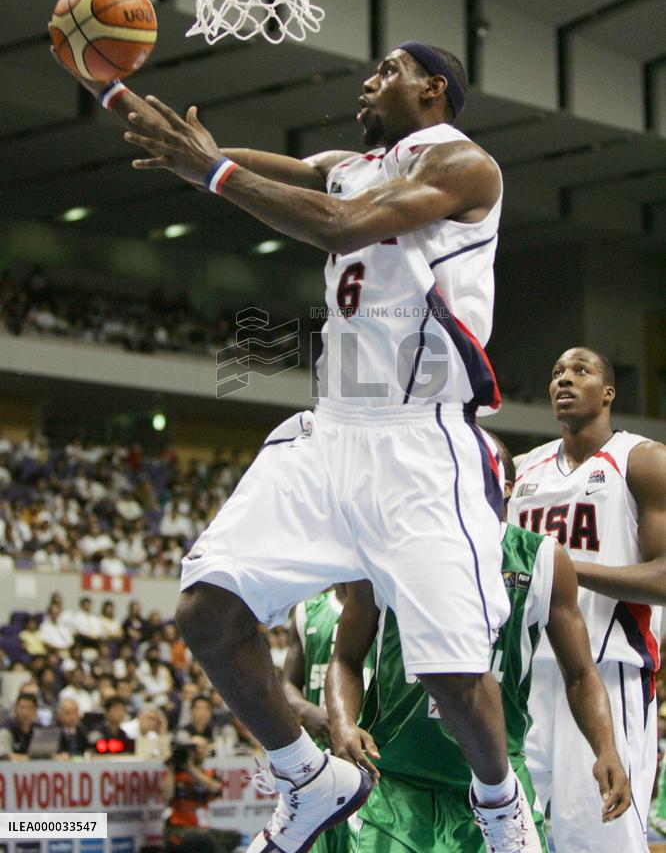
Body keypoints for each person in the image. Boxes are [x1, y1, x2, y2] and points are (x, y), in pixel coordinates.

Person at [54, 41, 538, 852]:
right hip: (330, 430)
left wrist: (209, 173)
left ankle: (500, 806)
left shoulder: (464, 164)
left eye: (387, 69)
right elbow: (206, 152)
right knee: (207, 612)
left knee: (454, 680)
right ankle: (309, 778)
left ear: (433, 87)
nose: (369, 80)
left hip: (419, 443)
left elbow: (345, 225)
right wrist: (109, 89)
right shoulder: (349, 162)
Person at [326, 437, 630, 851]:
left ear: (505, 485)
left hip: (496, 786)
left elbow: (579, 674)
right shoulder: (387, 547)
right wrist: (343, 722)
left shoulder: (543, 559)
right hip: (397, 783)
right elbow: (345, 657)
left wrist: (605, 748)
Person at [508, 347, 666, 852]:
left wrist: (564, 571)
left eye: (581, 371)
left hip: (605, 674)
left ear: (609, 392)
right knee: (503, 835)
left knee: (598, 842)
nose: (564, 381)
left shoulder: (642, 461)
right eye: (556, 373)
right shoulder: (520, 471)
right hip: (524, 678)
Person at [283, 585, 373, 853]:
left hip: (370, 753)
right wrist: (304, 709)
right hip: (319, 755)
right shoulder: (306, 611)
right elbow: (287, 684)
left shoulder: (384, 604)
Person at [163, 735, 241, 853]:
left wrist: (191, 769)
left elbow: (215, 788)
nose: (196, 752)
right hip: (179, 829)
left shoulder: (208, 774)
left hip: (201, 828)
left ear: (206, 751)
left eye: (200, 748)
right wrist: (170, 767)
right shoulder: (176, 774)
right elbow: (166, 795)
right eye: (193, 748)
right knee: (206, 840)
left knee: (234, 836)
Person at [0, 693, 38, 760]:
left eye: (30, 708)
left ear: (35, 710)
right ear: (15, 709)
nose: (26, 712)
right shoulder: (7, 730)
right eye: (22, 707)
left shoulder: (39, 730)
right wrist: (30, 759)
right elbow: (4, 755)